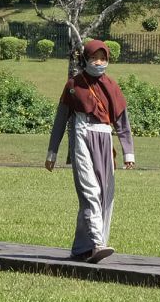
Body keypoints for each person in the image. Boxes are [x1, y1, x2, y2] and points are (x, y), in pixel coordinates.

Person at [45, 40, 135, 263]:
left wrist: (128, 152)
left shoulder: (112, 86)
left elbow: (122, 122)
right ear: (85, 58)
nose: (99, 62)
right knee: (90, 191)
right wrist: (52, 153)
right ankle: (97, 242)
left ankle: (81, 248)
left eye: (103, 58)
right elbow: (60, 121)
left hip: (104, 140)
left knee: (105, 195)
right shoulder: (73, 85)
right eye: (94, 58)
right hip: (82, 137)